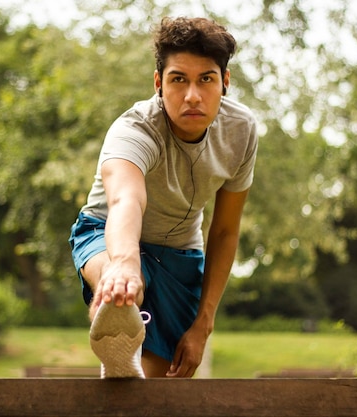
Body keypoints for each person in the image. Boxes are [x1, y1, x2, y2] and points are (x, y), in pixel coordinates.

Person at [69, 16, 258, 378]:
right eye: (178, 80)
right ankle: (114, 306)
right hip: (106, 231)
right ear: (158, 83)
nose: (192, 95)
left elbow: (224, 232)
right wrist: (125, 263)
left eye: (206, 79)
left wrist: (203, 325)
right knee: (122, 283)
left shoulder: (241, 131)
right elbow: (126, 199)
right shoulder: (134, 129)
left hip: (180, 254)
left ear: (225, 83)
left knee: (155, 383)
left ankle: (124, 362)